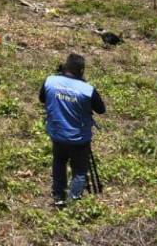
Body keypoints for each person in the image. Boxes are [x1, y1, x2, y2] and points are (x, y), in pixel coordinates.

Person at [39, 53, 105, 208]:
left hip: (57, 134)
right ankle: (74, 202)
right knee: (80, 171)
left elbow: (42, 99)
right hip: (79, 138)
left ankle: (59, 197)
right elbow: (101, 109)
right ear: (81, 71)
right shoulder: (87, 90)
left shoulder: (50, 81)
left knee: (59, 163)